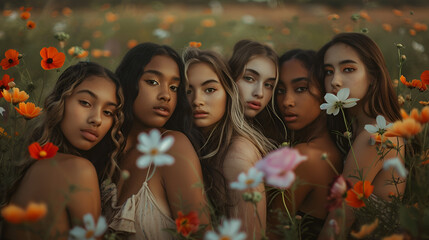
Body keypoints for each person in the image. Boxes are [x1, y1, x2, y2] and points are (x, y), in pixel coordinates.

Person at [2, 62, 124, 239]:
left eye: (108, 112)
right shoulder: (77, 169)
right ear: (60, 102)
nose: (96, 119)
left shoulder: (37, 165)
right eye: (85, 102)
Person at [101, 43, 209, 239]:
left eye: (174, 87)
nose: (166, 95)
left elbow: (201, 234)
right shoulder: (107, 151)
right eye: (152, 82)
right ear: (128, 81)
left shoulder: (172, 146)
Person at [313, 33, 405, 239]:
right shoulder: (355, 126)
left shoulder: (376, 136)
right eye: (328, 71)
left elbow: (338, 221)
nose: (335, 81)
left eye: (348, 69)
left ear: (373, 76)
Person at [183, 47, 275, 239]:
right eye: (188, 91)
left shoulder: (236, 158)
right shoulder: (199, 145)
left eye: (210, 90)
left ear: (228, 92)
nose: (197, 100)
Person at [267, 49, 342, 240]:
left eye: (300, 88)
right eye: (280, 91)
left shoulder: (304, 156)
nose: (286, 101)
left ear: (326, 91)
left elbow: (269, 233)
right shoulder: (335, 147)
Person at [228, 40, 284, 144]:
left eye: (268, 85)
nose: (259, 93)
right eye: (249, 78)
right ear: (231, 76)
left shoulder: (273, 136)